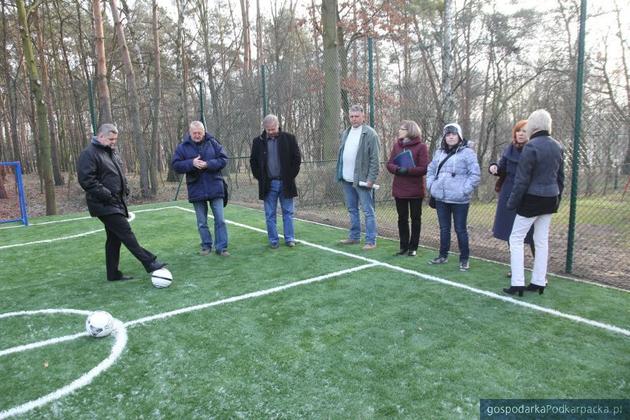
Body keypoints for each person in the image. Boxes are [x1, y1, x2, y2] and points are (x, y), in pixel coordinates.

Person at [77, 123, 166, 281]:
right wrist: (108, 195)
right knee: (126, 233)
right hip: (103, 204)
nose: (113, 142)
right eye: (111, 139)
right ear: (101, 136)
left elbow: (116, 173)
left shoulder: (111, 152)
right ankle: (149, 262)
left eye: (115, 139)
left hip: (116, 201)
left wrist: (124, 189)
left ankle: (113, 274)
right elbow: (87, 181)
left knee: (114, 239)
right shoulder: (89, 154)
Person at [504, 109, 564, 296]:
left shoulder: (531, 147)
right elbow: (561, 178)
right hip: (550, 199)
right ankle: (539, 281)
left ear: (534, 125)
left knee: (515, 238)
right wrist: (557, 198)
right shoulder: (557, 146)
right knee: (541, 240)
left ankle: (518, 283)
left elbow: (522, 180)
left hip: (532, 200)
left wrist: (512, 203)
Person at [426, 123, 480, 271]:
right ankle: (443, 256)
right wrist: (431, 185)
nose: (450, 136)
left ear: (459, 136)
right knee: (444, 228)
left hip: (460, 200)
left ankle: (464, 259)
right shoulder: (439, 153)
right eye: (448, 134)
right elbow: (430, 170)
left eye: (453, 134)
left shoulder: (468, 153)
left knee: (460, 229)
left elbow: (475, 175)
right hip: (441, 198)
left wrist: (464, 190)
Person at [172, 121, 229, 256]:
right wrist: (191, 163)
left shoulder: (213, 143)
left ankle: (221, 247)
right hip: (196, 188)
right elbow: (175, 165)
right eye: (194, 133)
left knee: (220, 219)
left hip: (215, 186)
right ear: (190, 133)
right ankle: (206, 246)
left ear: (204, 132)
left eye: (200, 133)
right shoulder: (182, 147)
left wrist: (208, 164)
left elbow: (224, 159)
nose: (197, 135)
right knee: (202, 222)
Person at [488, 120, 535, 277]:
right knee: (511, 232)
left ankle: (539, 270)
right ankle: (516, 268)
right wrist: (494, 168)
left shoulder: (533, 149)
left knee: (533, 234)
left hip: (528, 195)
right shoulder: (509, 149)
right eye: (518, 131)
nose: (521, 134)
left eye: (524, 131)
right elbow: (502, 169)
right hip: (508, 193)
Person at [249, 114, 302, 249]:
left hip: (286, 183)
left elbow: (297, 159)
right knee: (270, 214)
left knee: (288, 212)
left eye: (273, 129)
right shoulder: (258, 142)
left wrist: (290, 176)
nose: (271, 132)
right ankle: (273, 241)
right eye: (269, 130)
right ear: (265, 128)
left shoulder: (289, 139)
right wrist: (260, 177)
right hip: (268, 184)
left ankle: (290, 239)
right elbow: (253, 161)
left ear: (278, 125)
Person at [336, 104, 381, 250]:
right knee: (352, 209)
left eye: (357, 116)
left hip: (362, 180)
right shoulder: (346, 132)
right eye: (351, 116)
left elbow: (375, 159)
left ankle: (370, 240)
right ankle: (354, 237)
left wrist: (371, 179)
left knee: (368, 211)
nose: (354, 119)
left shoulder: (370, 134)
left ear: (363, 117)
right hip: (346, 179)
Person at [386, 120, 429, 256]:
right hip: (399, 189)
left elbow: (424, 168)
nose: (399, 131)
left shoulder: (421, 147)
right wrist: (398, 169)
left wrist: (408, 171)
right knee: (402, 219)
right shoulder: (396, 146)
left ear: (410, 131)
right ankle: (403, 246)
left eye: (402, 129)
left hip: (415, 191)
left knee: (415, 219)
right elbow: (389, 164)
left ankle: (413, 248)